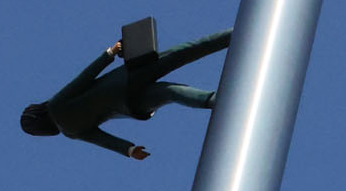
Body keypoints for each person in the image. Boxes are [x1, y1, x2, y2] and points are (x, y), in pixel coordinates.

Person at [19, 15, 233, 161]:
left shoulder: (72, 133)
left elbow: (104, 140)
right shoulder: (56, 105)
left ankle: (214, 100)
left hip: (132, 106)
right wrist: (109, 54)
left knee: (171, 92)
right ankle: (233, 35)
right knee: (186, 52)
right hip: (126, 79)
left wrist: (130, 150)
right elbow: (84, 78)